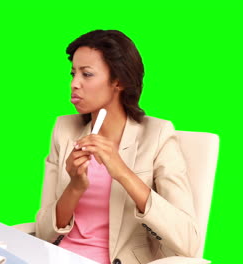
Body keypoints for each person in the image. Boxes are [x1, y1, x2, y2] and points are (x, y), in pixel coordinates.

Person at [35, 30, 200, 264]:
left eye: (87, 74)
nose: (74, 84)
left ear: (118, 81)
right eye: (73, 74)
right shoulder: (64, 129)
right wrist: (75, 186)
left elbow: (188, 242)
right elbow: (43, 233)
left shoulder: (157, 135)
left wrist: (122, 172)